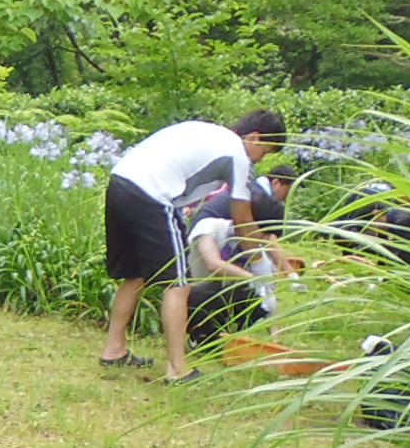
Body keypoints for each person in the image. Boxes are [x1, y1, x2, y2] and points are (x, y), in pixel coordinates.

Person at [96, 110, 288, 384]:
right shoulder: (237, 155)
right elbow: (243, 220)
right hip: (153, 194)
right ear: (255, 137)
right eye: (265, 152)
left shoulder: (207, 130)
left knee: (136, 274)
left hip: (120, 183)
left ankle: (114, 349)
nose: (260, 160)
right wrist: (261, 271)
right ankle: (177, 369)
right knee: (179, 284)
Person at [184, 166, 298, 348]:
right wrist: (253, 278)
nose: (262, 241)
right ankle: (199, 337)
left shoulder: (253, 248)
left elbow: (269, 297)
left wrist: (276, 341)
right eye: (262, 235)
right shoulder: (210, 226)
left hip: (221, 294)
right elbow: (213, 264)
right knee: (207, 291)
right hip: (193, 289)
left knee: (249, 294)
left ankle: (226, 332)